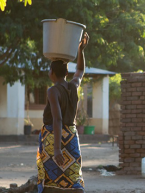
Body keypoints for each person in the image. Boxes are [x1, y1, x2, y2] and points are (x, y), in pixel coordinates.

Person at [37, 32, 89, 193]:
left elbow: (57, 119)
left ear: (51, 72)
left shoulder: (53, 91)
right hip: (72, 135)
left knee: (50, 177)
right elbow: (80, 69)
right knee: (73, 176)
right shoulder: (73, 86)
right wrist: (81, 50)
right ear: (67, 73)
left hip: (54, 137)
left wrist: (58, 148)